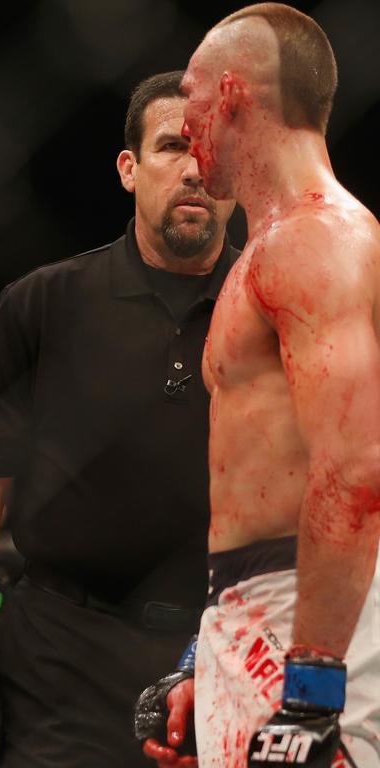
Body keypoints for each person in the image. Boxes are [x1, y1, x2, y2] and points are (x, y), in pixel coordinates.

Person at [0, 70, 239, 768]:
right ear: (130, 169)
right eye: (170, 148)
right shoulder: (45, 304)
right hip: (61, 658)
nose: (194, 170)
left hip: (224, 648)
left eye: (213, 154)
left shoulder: (275, 312)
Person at [143, 5, 380, 767]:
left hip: (323, 621)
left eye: (192, 94)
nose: (187, 119)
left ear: (233, 95)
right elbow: (262, 489)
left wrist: (312, 687)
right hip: (263, 603)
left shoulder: (317, 240)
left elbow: (357, 464)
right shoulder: (268, 249)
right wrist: (205, 651)